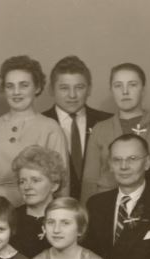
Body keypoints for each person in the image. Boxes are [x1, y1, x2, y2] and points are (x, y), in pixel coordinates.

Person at [0, 55, 68, 206]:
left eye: (24, 85)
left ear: (37, 87)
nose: (16, 92)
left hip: (37, 206)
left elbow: (62, 184)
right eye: (10, 86)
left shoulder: (51, 128)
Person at [80, 63, 150, 203]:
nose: (125, 91)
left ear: (143, 90)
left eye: (132, 85)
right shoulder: (100, 129)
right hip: (106, 204)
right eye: (118, 86)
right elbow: (90, 180)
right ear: (111, 90)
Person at [42, 56, 112, 200]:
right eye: (64, 88)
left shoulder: (107, 121)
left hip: (99, 204)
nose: (72, 95)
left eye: (79, 87)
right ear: (51, 90)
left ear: (89, 89)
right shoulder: (40, 123)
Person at [9, 145, 66, 259]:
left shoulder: (69, 218)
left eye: (35, 180)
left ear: (54, 185)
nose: (27, 187)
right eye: (22, 181)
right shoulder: (9, 218)